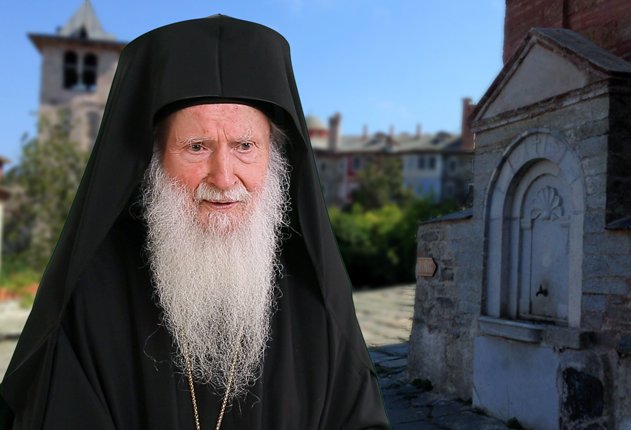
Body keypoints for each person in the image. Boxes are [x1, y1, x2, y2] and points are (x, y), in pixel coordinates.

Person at [0, 15, 390, 429]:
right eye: (196, 146)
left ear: (274, 157)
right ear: (153, 160)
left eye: (244, 146)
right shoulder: (90, 299)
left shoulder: (315, 297)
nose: (223, 178)